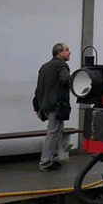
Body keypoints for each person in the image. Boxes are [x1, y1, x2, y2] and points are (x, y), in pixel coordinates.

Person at [33, 43, 71, 171]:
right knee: (53, 133)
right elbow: (66, 80)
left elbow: (39, 88)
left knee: (57, 131)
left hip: (45, 104)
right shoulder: (62, 65)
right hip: (56, 105)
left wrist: (37, 106)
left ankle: (53, 159)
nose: (69, 52)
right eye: (67, 50)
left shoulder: (44, 67)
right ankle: (45, 162)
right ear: (59, 52)